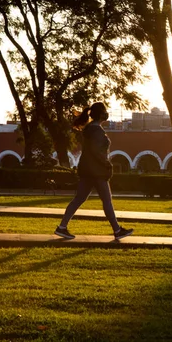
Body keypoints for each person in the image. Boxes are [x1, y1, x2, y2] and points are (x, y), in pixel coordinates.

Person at [55, 102, 133, 240]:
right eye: (105, 111)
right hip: (97, 171)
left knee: (79, 199)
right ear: (101, 114)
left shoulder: (89, 129)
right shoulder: (96, 131)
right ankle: (117, 230)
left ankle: (62, 227)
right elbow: (97, 151)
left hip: (87, 170)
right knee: (107, 200)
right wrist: (107, 164)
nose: (106, 113)